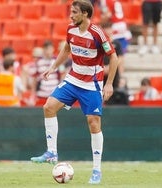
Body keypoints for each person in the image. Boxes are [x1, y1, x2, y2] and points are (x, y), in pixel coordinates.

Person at [30, 0, 119, 185]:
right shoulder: (71, 29)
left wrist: (109, 84)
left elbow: (114, 57)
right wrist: (53, 67)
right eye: (71, 12)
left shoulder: (97, 33)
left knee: (93, 123)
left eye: (74, 12)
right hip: (73, 79)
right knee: (48, 107)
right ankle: (51, 153)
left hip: (92, 83)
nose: (71, 16)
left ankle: (96, 170)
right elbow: (67, 49)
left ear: (85, 14)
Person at [101, 22, 129, 105]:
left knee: (113, 94)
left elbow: (120, 59)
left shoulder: (116, 43)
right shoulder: (101, 44)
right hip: (101, 74)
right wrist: (103, 68)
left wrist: (112, 67)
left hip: (114, 74)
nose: (107, 31)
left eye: (109, 28)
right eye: (105, 29)